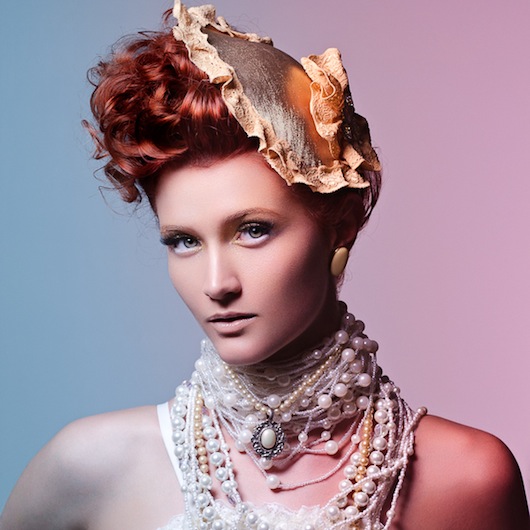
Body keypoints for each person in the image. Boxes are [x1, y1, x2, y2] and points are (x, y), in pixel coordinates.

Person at [1, 1, 528, 529]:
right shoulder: (88, 470)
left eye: (253, 230)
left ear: (341, 225)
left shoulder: (468, 480)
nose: (216, 284)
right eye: (184, 241)